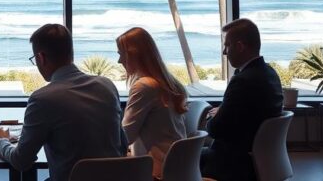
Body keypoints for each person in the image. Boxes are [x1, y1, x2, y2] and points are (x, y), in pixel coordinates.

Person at [0, 24, 127, 181]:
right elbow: (122, 145)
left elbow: (21, 161)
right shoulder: (107, 86)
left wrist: (1, 141)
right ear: (70, 53)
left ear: (41, 58)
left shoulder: (42, 99)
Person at [200, 18, 283, 181]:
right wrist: (224, 111)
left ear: (240, 47)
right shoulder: (270, 73)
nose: (224, 52)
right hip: (259, 160)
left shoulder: (243, 80)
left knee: (180, 159)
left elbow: (216, 129)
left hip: (232, 164)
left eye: (227, 45)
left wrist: (212, 116)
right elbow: (247, 112)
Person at [116, 27, 187, 180]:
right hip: (177, 168)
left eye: (121, 54)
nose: (119, 60)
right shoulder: (170, 83)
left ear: (133, 54)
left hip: (154, 172)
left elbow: (125, 136)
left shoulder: (145, 86)